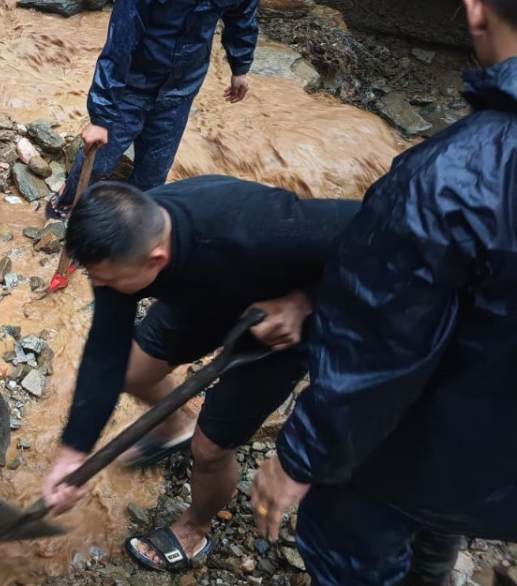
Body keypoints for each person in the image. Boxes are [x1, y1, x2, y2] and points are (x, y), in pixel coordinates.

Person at [251, 0, 517, 585]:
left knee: (355, 548)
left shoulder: (446, 181)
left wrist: (297, 459)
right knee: (440, 532)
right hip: (496, 467)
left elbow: (376, 348)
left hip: (417, 463)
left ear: (474, 12)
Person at [41, 176, 359, 572]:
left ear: (155, 259)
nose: (98, 286)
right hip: (204, 298)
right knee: (132, 370)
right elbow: (106, 351)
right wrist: (73, 453)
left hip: (275, 325)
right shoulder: (121, 241)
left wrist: (304, 300)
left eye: (105, 280)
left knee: (210, 451)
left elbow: (374, 230)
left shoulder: (260, 227)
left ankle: (196, 527)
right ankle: (175, 425)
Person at [48, 0, 260, 217]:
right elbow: (118, 48)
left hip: (180, 88)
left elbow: (243, 20)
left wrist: (240, 68)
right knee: (100, 157)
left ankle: (130, 226)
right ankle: (65, 203)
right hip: (133, 84)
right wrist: (100, 118)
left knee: (153, 174)